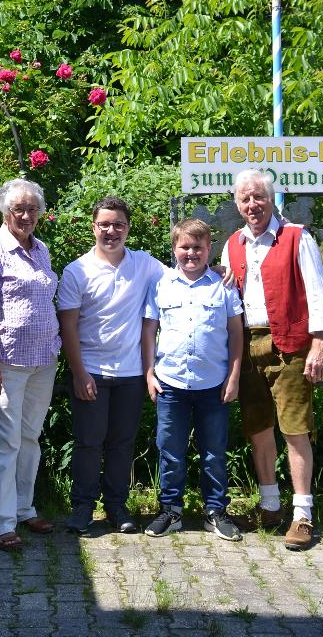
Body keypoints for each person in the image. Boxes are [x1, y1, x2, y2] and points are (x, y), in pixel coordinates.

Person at [222, 169, 323, 550]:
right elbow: (227, 297)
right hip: (247, 344)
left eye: (259, 196)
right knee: (258, 427)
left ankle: (302, 515)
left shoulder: (297, 237)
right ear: (237, 204)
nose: (252, 204)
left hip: (290, 344)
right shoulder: (232, 244)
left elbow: (318, 293)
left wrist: (319, 345)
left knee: (295, 429)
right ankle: (270, 507)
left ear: (271, 199)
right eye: (245, 198)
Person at [58, 196, 166, 535]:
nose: (111, 231)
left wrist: (216, 271)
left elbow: (183, 275)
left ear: (128, 228)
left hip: (131, 373)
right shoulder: (77, 271)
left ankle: (117, 507)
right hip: (91, 371)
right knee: (88, 443)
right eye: (104, 224)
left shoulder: (145, 264)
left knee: (122, 443)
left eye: (118, 224)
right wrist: (78, 373)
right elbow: (67, 327)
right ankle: (82, 507)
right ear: (93, 227)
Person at [0, 178, 61, 551]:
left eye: (32, 209)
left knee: (29, 438)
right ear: (6, 211)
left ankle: (25, 508)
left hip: (43, 360)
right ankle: (3, 523)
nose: (26, 215)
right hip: (7, 362)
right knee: (7, 442)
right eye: (18, 209)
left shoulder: (40, 249)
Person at [141, 218, 244, 541]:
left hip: (214, 384)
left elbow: (236, 332)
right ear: (174, 248)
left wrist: (234, 376)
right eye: (184, 246)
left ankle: (215, 512)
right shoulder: (161, 284)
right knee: (170, 451)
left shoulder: (223, 285)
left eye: (198, 247)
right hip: (170, 384)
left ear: (209, 248)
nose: (191, 253)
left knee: (214, 453)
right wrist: (149, 373)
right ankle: (171, 511)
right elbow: (149, 331)